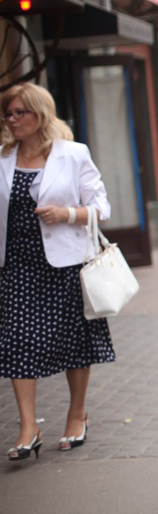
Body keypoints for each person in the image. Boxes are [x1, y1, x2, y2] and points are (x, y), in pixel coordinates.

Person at [0, 83, 115, 461]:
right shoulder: (3, 156)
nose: (11, 119)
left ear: (40, 114)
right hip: (16, 265)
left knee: (73, 342)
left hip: (65, 263)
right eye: (7, 113)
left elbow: (101, 209)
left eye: (19, 112)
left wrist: (66, 213)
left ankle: (77, 414)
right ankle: (27, 427)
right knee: (18, 340)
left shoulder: (73, 154)